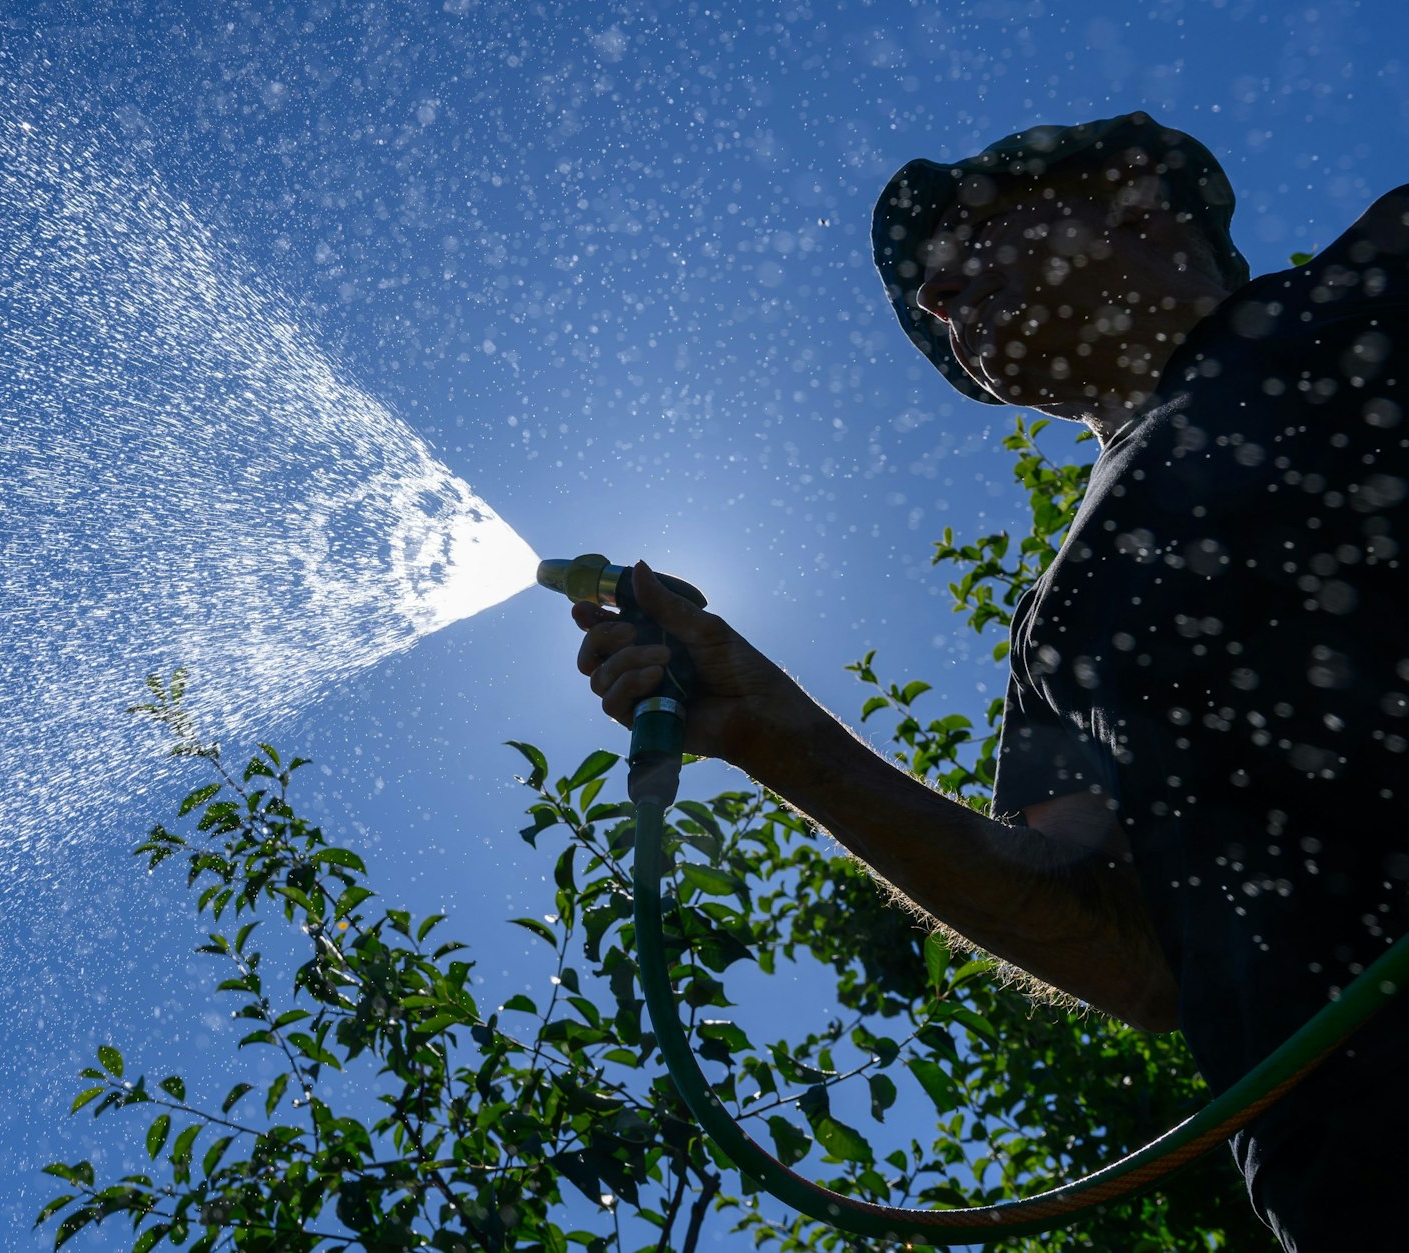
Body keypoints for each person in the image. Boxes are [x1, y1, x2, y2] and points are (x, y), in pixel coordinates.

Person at [566, 111, 1408, 1249]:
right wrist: (768, 729)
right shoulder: (1051, 624)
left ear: (1126, 189)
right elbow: (1129, 955)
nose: (934, 294)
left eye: (964, 231)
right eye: (923, 291)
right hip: (1358, 1176)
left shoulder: (1369, 295)